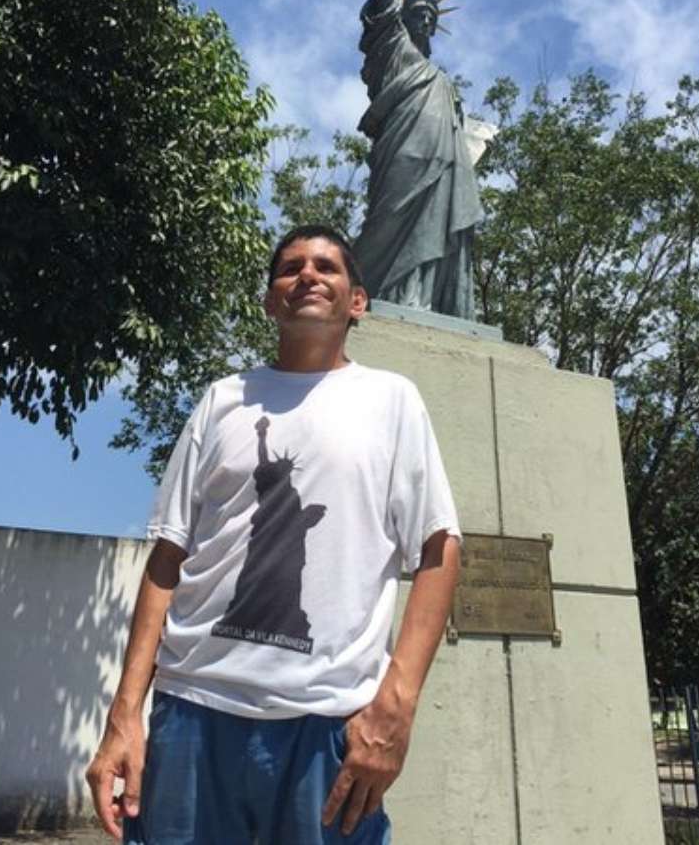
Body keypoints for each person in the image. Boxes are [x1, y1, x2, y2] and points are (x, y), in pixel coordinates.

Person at [86, 224, 461, 844]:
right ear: (270, 300)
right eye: (289, 268)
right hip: (194, 712)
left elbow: (438, 548)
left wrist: (396, 706)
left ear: (357, 301)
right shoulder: (223, 401)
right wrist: (125, 715)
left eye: (326, 267)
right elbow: (167, 558)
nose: (307, 276)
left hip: (328, 725)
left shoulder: (393, 401)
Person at [352, 0, 483, 319]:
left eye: (430, 14)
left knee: (436, 222)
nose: (425, 19)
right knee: (389, 221)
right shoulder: (393, 48)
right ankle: (386, 297)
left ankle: (422, 303)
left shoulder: (442, 80)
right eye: (416, 12)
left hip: (443, 163)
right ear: (401, 18)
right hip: (402, 156)